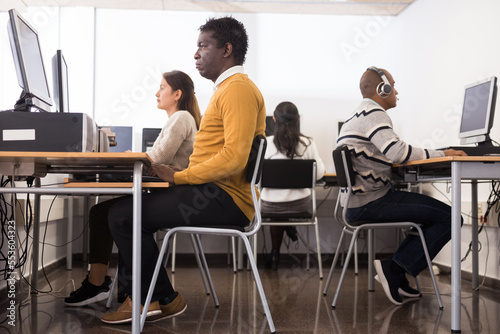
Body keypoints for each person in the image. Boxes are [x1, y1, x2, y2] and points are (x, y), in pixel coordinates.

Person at [100, 16, 266, 324]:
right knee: (124, 211)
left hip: (226, 199)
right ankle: (162, 298)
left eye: (203, 46)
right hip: (214, 192)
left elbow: (234, 158)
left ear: (227, 49)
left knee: (123, 216)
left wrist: (179, 177)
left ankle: (145, 300)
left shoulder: (237, 90)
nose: (196, 54)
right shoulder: (227, 89)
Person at [64, 70, 201, 307]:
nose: (157, 93)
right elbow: (154, 161)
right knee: (101, 212)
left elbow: (156, 159)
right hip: (166, 193)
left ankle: (113, 288)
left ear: (177, 94)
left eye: (162, 88)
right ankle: (102, 284)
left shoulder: (181, 119)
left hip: (173, 195)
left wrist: (128, 157)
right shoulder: (176, 120)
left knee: (117, 215)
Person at [335, 66, 466, 305]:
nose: (396, 91)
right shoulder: (374, 114)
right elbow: (397, 152)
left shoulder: (355, 116)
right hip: (371, 202)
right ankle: (394, 269)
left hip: (354, 203)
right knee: (450, 218)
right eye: (393, 85)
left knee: (430, 216)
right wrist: (442, 152)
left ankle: (396, 273)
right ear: (381, 89)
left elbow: (390, 152)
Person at [261, 101, 325, 270]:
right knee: (287, 205)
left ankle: (274, 253)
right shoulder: (307, 143)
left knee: (278, 207)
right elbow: (318, 174)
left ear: (274, 119)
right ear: (297, 120)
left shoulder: (265, 144)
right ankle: (287, 225)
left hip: (269, 207)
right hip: (301, 206)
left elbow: (257, 178)